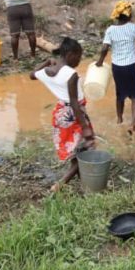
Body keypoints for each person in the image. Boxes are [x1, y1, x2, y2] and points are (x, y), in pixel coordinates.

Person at [30, 37, 94, 193]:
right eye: (78, 57)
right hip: (75, 114)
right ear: (71, 54)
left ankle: (81, 179)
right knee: (88, 148)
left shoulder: (47, 71)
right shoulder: (71, 74)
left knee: (75, 150)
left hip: (60, 114)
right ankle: (61, 184)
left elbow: (32, 75)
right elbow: (74, 102)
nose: (79, 60)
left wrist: (46, 62)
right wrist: (85, 127)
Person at [96, 1, 135, 135]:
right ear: (129, 16)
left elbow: (104, 48)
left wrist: (100, 62)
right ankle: (133, 123)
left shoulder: (110, 30)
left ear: (117, 16)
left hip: (117, 67)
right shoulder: (133, 27)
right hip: (130, 66)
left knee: (120, 94)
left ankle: (119, 119)